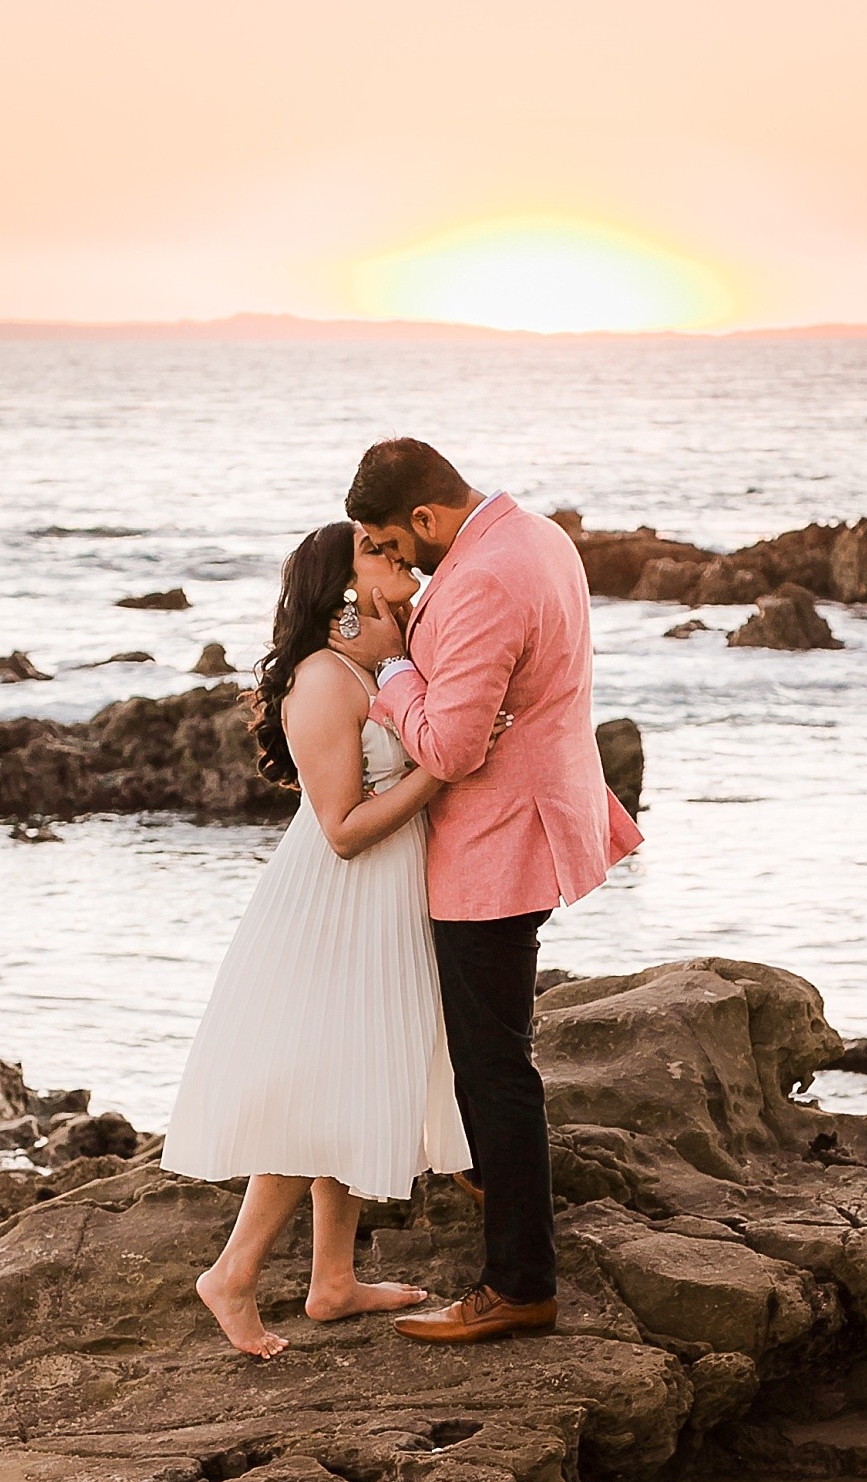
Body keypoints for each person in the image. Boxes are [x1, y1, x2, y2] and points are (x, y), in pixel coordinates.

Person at [343, 436, 641, 1341]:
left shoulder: (477, 580)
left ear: (427, 518)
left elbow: (450, 748)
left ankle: (519, 1282)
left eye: (397, 545)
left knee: (495, 1065)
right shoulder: (537, 535)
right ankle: (499, 1176)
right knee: (488, 1047)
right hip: (536, 816)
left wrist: (392, 673)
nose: (399, 564)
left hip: (496, 845)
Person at [161, 520, 469, 1357]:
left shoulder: (373, 662)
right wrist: (440, 770)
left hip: (382, 896)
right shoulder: (325, 680)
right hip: (337, 897)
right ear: (342, 582)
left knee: (353, 1075)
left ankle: (332, 1281)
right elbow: (339, 827)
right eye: (376, 549)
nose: (397, 554)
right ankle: (231, 1273)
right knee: (315, 1088)